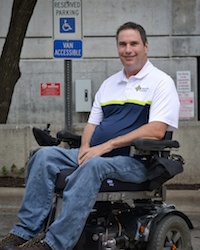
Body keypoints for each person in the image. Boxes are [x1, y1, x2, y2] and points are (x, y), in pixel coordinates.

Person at [0, 22, 180, 250]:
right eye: (122, 44)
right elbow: (92, 124)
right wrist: (86, 146)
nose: (128, 49)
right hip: (97, 155)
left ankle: (53, 244)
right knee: (43, 156)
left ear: (146, 46)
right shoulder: (109, 84)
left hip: (135, 161)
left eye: (134, 43)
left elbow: (156, 130)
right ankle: (24, 233)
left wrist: (105, 147)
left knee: (93, 165)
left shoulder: (161, 82)